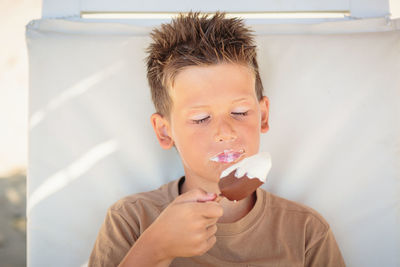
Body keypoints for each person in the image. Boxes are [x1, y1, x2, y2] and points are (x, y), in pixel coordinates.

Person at [88, 11, 345, 267]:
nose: (225, 132)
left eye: (240, 113)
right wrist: (156, 248)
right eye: (201, 118)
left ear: (263, 116)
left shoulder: (306, 232)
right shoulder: (131, 220)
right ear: (164, 131)